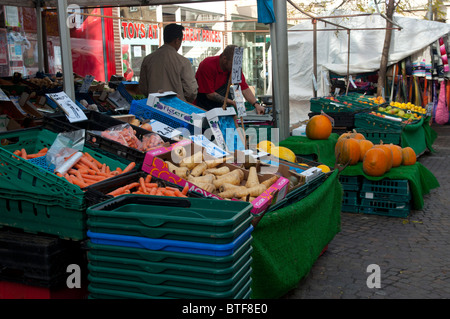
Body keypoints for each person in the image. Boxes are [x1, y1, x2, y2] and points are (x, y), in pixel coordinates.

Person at [195, 45, 265, 114]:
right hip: (204, 108)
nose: (236, 67)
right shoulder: (207, 65)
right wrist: (232, 102)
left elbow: (244, 88)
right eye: (233, 63)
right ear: (225, 59)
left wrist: (256, 104)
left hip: (223, 107)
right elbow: (210, 94)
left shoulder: (235, 67)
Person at [139, 23, 198, 103]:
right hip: (177, 110)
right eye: (181, 41)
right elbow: (191, 91)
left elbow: (143, 89)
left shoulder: (147, 59)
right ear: (177, 41)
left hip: (154, 108)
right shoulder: (183, 62)